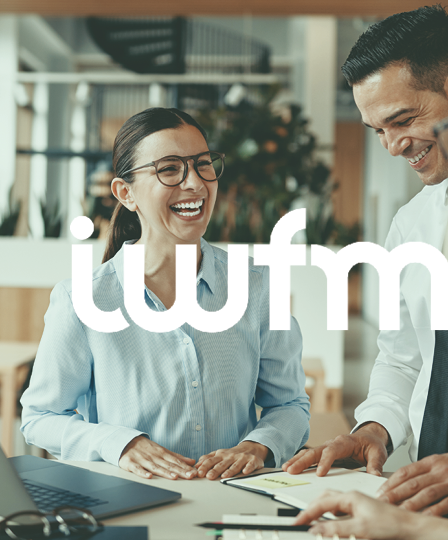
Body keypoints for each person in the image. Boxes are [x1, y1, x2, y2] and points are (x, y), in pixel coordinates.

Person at [283, 5, 448, 524]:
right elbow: (403, 358)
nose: (394, 146)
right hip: (427, 488)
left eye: (403, 120)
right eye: (376, 130)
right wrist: (374, 426)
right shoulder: (411, 223)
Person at [20, 107, 310, 481]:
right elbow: (40, 418)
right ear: (126, 193)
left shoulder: (258, 286)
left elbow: (288, 404)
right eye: (170, 169)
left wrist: (258, 446)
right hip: (128, 501)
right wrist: (119, 444)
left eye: (203, 164)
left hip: (233, 498)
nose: (194, 183)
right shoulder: (82, 300)